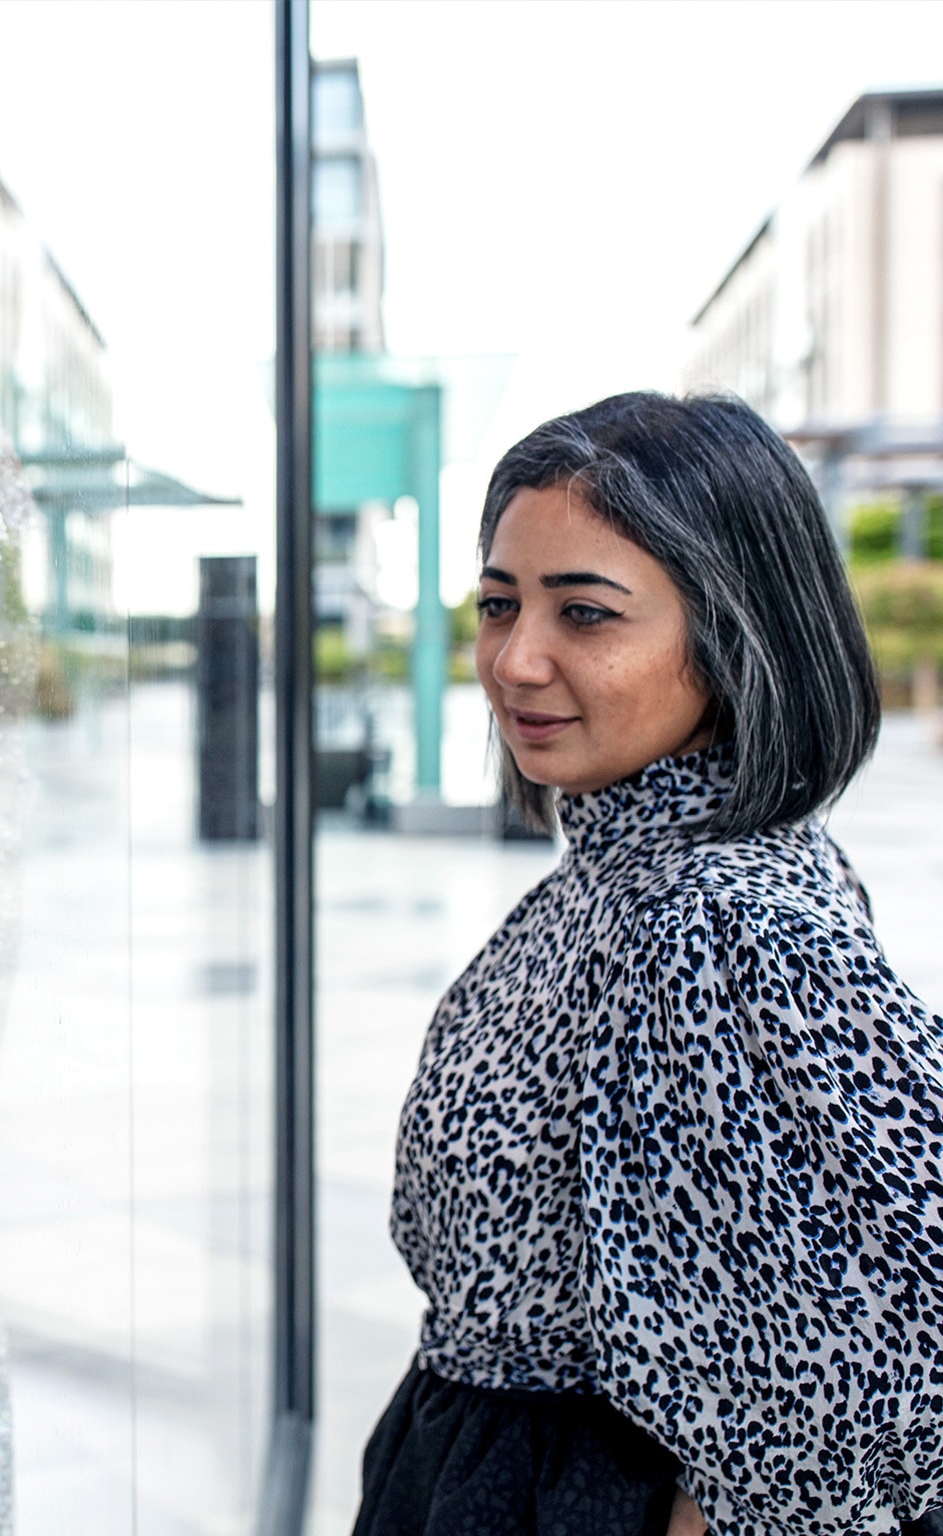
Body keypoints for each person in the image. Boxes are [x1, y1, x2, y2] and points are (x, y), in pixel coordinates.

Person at [353, 392, 943, 1536]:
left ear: (733, 633)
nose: (516, 659)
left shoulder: (716, 916)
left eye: (586, 614)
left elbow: (902, 1320)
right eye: (498, 604)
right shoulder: (622, 874)